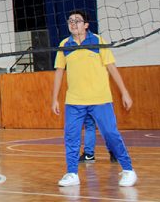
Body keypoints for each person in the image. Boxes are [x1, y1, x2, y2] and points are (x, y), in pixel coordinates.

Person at [52, 10, 137, 187]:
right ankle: (72, 173)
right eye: (70, 21)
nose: (73, 24)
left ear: (86, 25)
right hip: (74, 101)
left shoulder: (98, 41)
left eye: (77, 21)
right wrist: (54, 99)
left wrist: (124, 92)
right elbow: (59, 73)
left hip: (100, 99)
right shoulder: (64, 44)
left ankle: (128, 169)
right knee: (71, 137)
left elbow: (112, 67)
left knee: (111, 134)